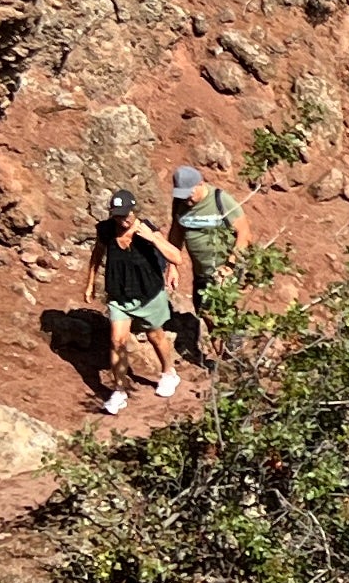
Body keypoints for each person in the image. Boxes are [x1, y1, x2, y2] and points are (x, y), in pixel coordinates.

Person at [92, 188, 182, 414]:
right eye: (118, 215)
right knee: (116, 341)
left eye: (126, 215)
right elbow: (97, 254)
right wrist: (90, 282)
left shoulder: (146, 230)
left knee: (155, 336)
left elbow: (176, 256)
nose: (123, 220)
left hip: (148, 295)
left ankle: (169, 372)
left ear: (134, 211)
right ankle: (119, 391)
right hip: (119, 297)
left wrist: (152, 238)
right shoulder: (105, 231)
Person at [167, 160, 250, 363]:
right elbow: (176, 234)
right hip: (201, 271)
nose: (186, 199)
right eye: (181, 195)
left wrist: (229, 266)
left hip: (225, 269)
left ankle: (234, 358)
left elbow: (245, 234)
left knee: (222, 312)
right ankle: (224, 358)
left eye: (189, 194)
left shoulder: (221, 200)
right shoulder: (180, 204)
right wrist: (172, 266)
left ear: (200, 184)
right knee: (204, 312)